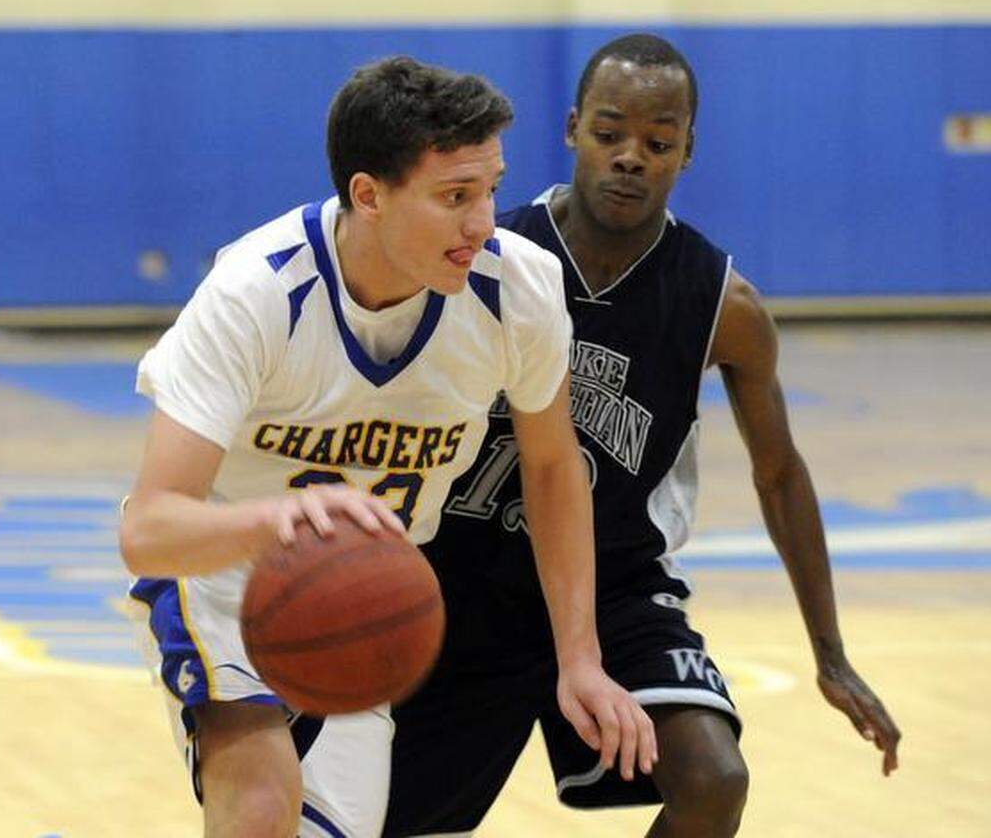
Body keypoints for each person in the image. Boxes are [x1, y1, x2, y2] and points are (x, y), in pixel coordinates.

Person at [118, 55, 655, 838]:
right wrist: (285, 525)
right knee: (262, 806)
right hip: (219, 575)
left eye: (492, 190)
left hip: (361, 598)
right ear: (368, 195)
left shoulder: (520, 289)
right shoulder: (255, 295)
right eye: (455, 197)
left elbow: (550, 465)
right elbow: (148, 528)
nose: (483, 222)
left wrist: (580, 656)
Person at [385, 34, 902, 838]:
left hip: (616, 586)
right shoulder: (486, 257)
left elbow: (780, 473)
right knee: (378, 817)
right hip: (459, 581)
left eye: (658, 143)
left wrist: (830, 653)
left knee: (713, 778)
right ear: (571, 129)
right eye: (610, 132)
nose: (631, 157)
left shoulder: (722, 306)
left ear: (687, 152)